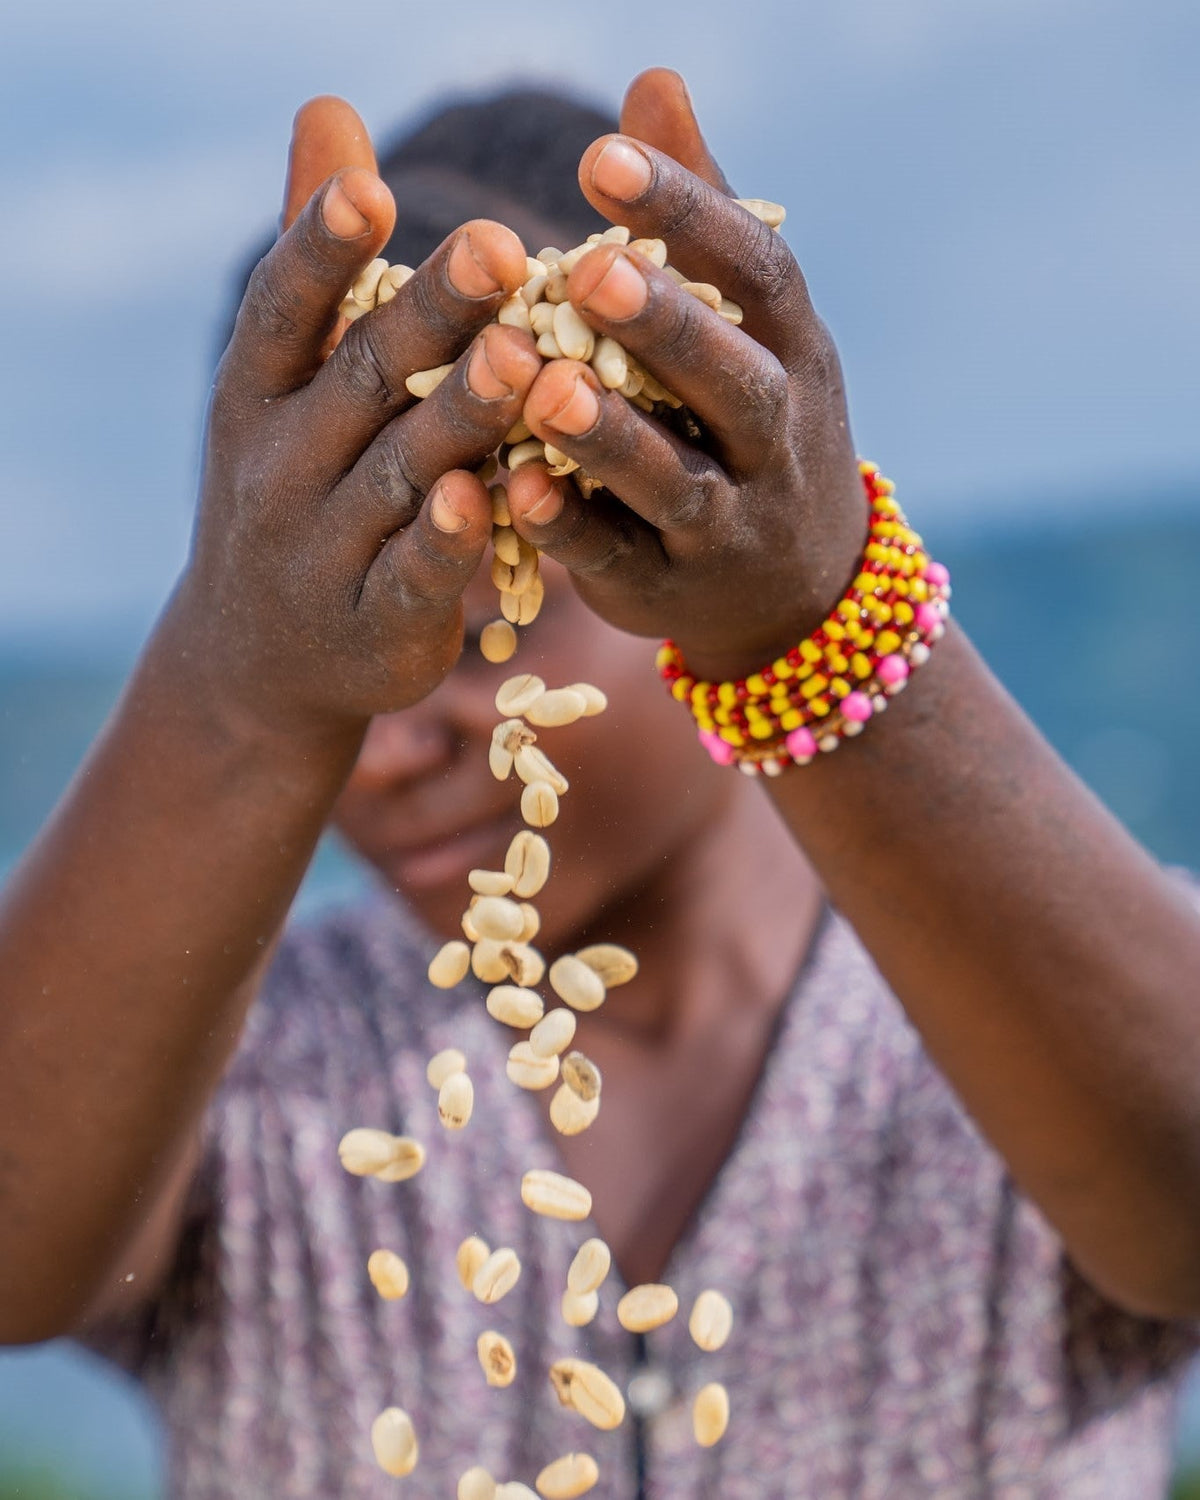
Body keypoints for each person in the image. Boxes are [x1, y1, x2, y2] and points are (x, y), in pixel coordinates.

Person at [2, 67, 1200, 1499]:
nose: (385, 746)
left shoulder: (1020, 1003)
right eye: (342, 679)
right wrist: (244, 682)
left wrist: (812, 617)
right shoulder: (249, 1067)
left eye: (490, 633)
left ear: (685, 544)